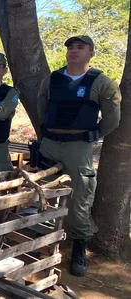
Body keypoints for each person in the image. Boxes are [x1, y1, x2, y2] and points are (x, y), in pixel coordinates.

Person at [37, 35, 121, 277]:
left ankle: (79, 249)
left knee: (79, 199)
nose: (74, 51)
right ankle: (44, 240)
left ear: (91, 53)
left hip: (78, 147)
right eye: (70, 48)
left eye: (80, 47)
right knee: (43, 193)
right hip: (50, 145)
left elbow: (112, 119)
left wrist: (90, 135)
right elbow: (42, 107)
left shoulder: (101, 82)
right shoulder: (52, 79)